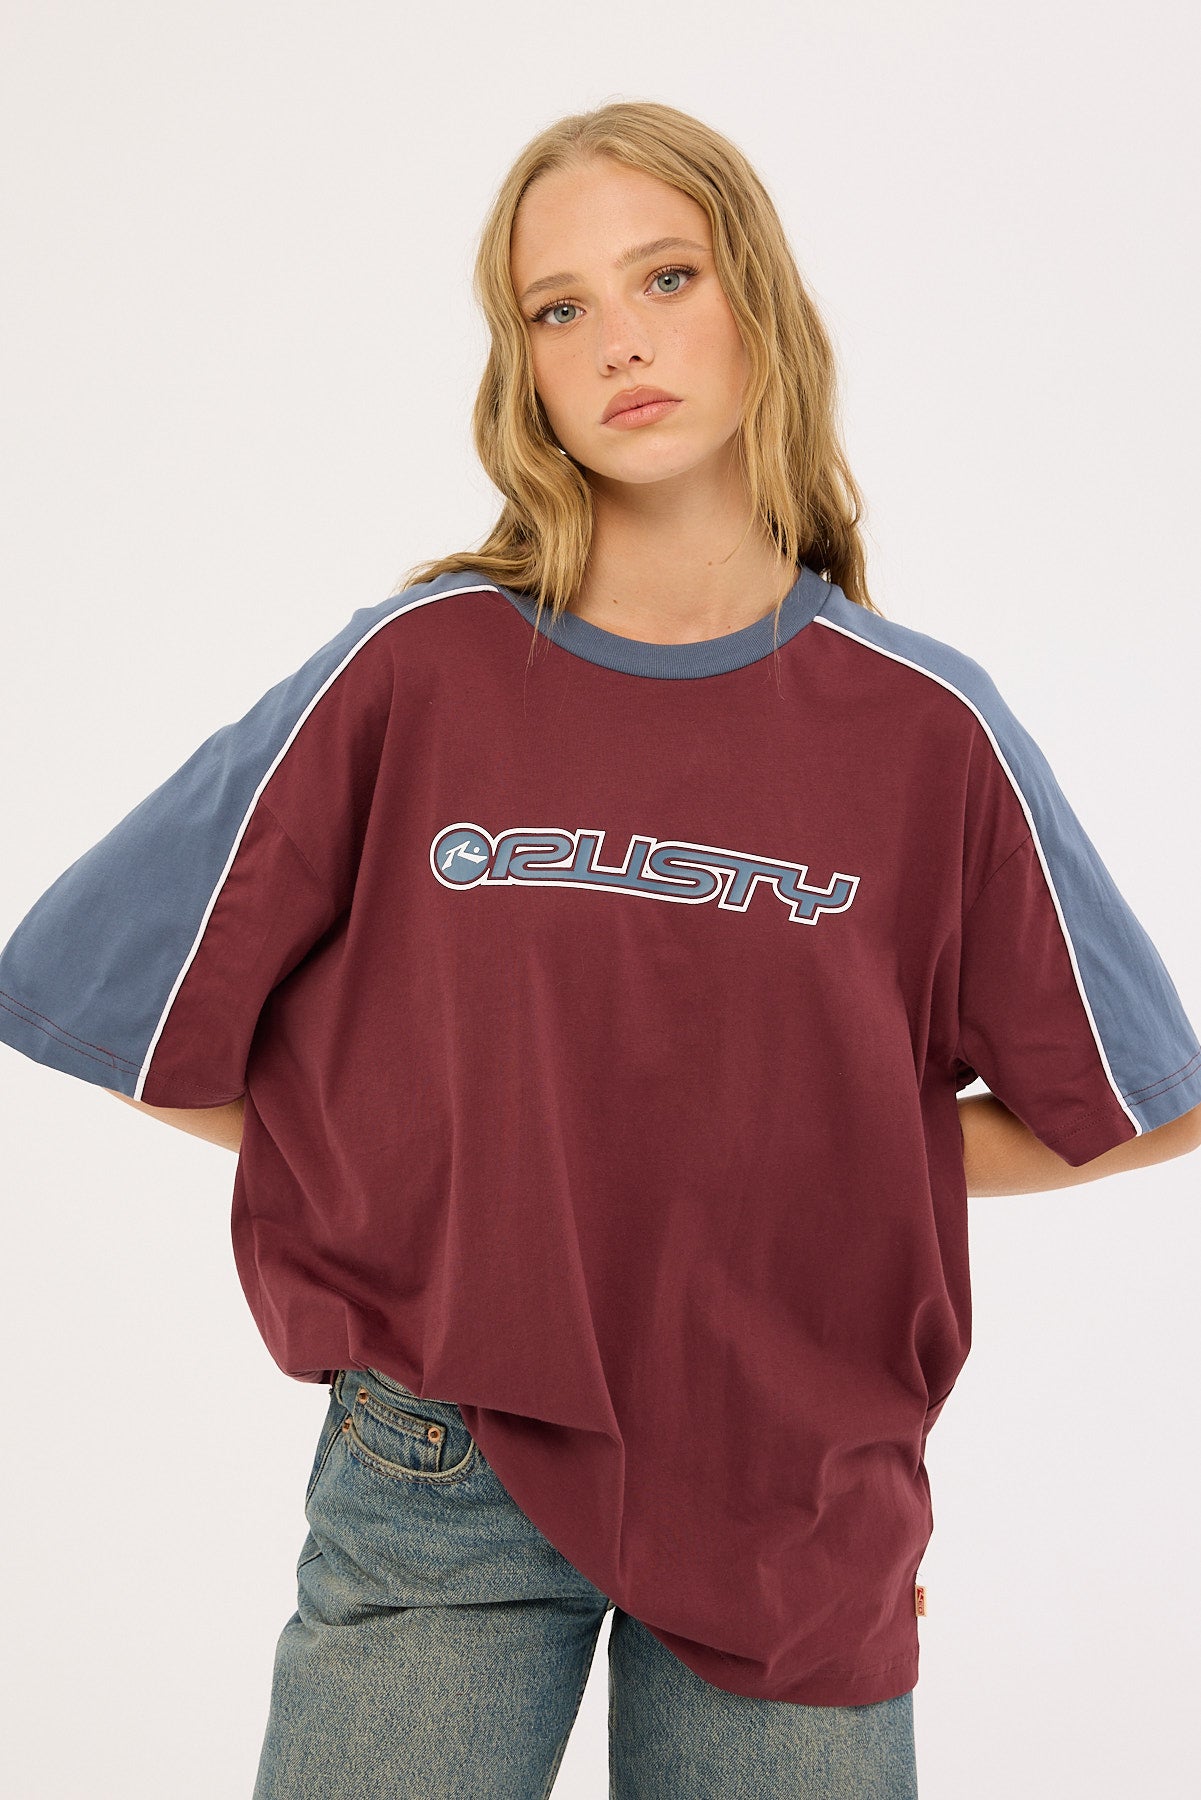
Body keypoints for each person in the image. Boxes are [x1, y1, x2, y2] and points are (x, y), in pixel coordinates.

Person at [1, 100, 1198, 1799]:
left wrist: (831, 1151)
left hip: (794, 1485)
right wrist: (409, 1176)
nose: (618, 339)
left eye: (665, 276)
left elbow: (1139, 1101)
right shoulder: (415, 672)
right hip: (441, 1458)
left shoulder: (925, 729)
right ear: (524, 374)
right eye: (557, 308)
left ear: (758, 304)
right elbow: (102, 994)